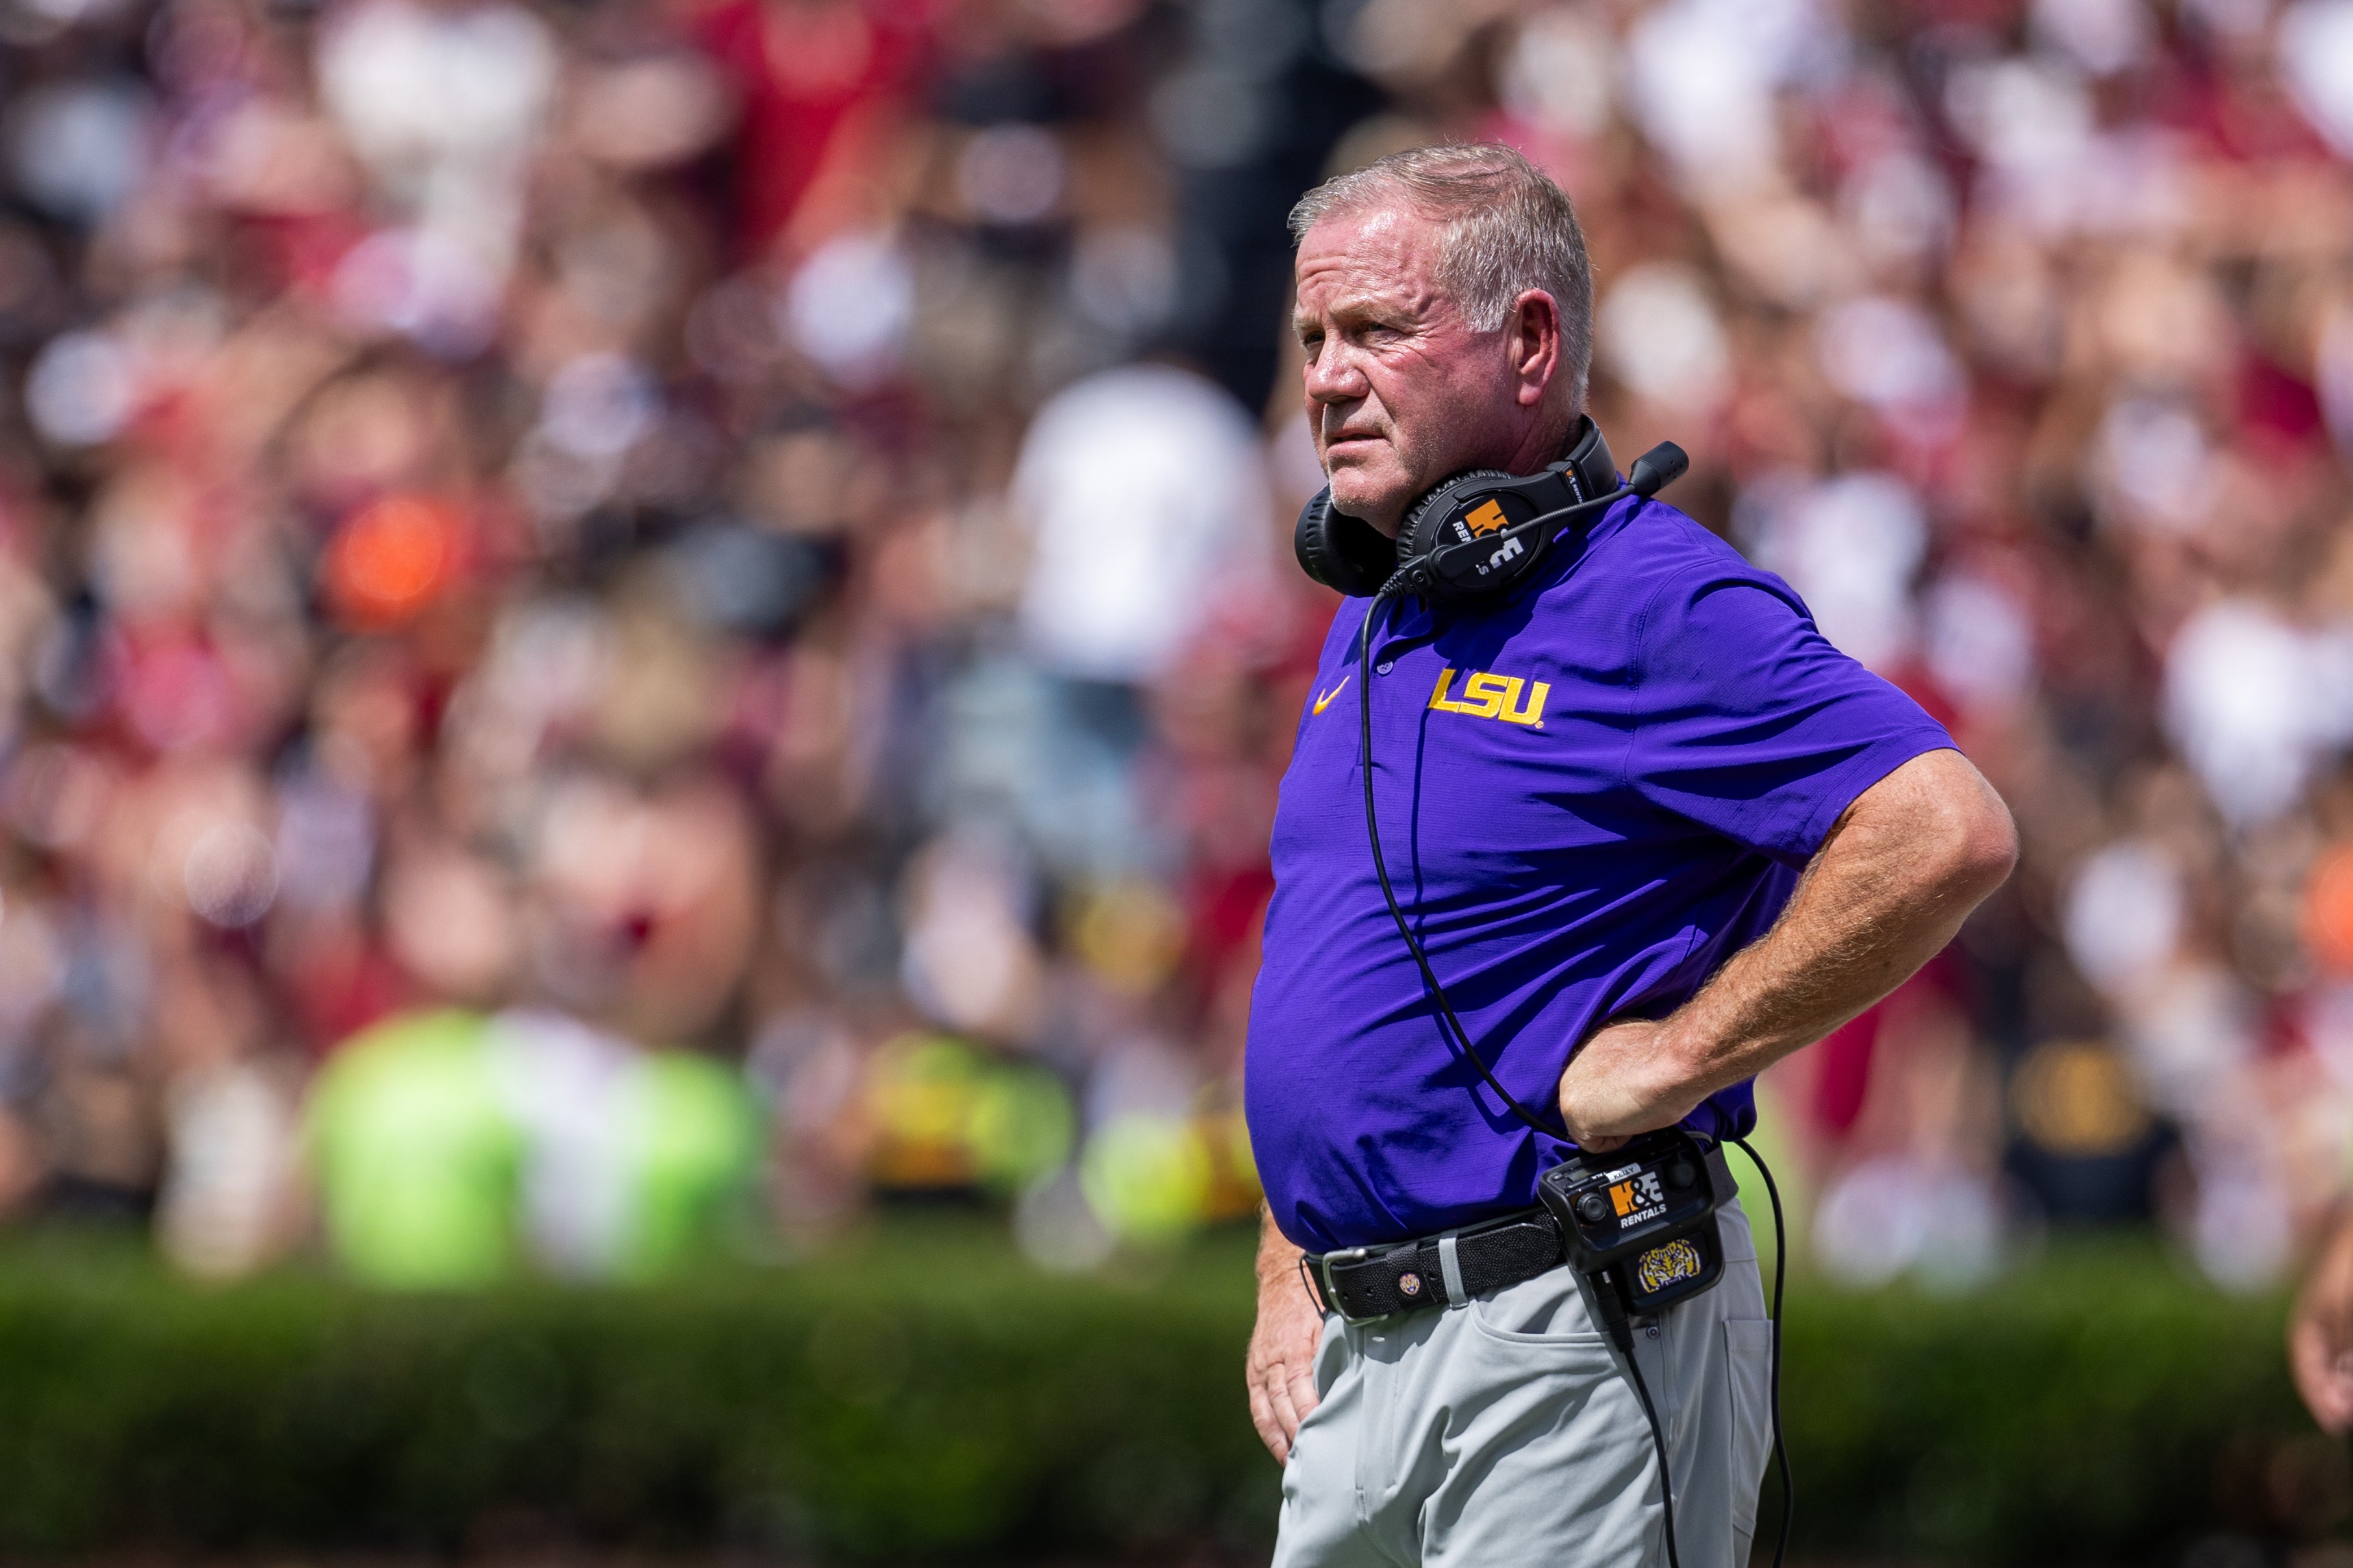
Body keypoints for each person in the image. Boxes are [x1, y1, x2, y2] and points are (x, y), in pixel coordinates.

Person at [1241, 143, 2018, 1568]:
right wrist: (1293, 1249)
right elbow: (1354, 957)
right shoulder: (1380, 605)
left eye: (1377, 331)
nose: (1329, 379)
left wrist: (1681, 1056)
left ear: (1530, 340)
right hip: (1360, 1356)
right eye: (1313, 339)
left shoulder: (1659, 598)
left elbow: (1944, 826)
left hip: (1566, 1331)